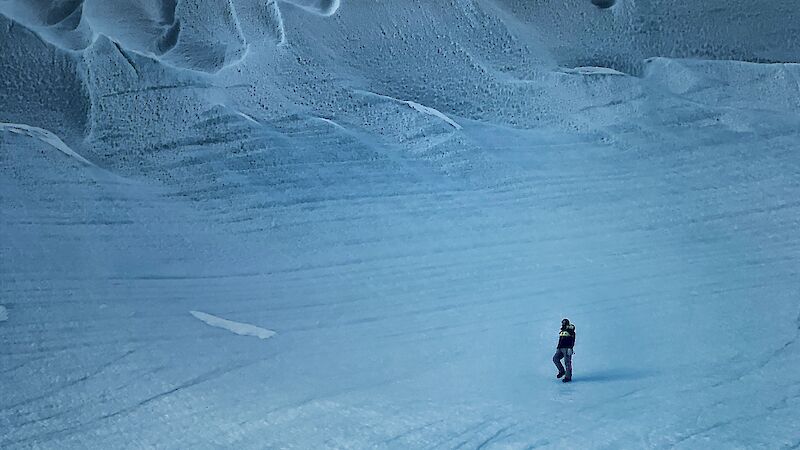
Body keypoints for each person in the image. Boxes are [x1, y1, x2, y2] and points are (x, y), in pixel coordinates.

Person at [553, 318, 576, 382]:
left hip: (567, 348)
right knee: (555, 359)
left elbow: (572, 340)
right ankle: (562, 371)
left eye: (564, 322)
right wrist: (558, 347)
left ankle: (568, 377)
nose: (563, 324)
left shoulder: (571, 331)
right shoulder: (562, 330)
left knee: (567, 362)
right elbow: (560, 340)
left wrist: (570, 348)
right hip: (560, 348)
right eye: (562, 322)